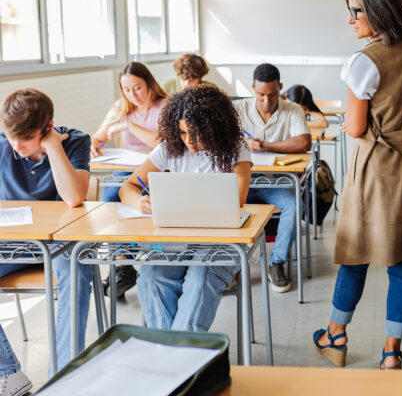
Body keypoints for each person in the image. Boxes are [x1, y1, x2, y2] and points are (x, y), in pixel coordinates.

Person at [312, 0, 402, 370]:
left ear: (380, 11)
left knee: (356, 253)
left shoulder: (363, 61)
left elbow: (353, 127)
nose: (351, 19)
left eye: (357, 11)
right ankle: (392, 353)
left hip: (376, 168)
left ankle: (336, 335)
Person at [119, 85, 252, 331]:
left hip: (222, 240)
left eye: (196, 133)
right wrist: (139, 200)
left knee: (200, 279)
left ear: (214, 128)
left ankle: (178, 356)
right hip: (176, 239)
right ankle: (175, 355)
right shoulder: (170, 148)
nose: (188, 141)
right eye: (181, 132)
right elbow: (128, 187)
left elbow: (239, 197)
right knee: (151, 277)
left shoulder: (235, 148)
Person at [0, 89, 96, 394]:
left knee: (77, 271)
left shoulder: (75, 141)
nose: (16, 146)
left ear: (48, 127)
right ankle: (9, 373)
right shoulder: (5, 143)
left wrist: (54, 148)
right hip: (12, 243)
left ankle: (65, 375)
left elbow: (74, 196)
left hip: (60, 243)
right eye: (11, 137)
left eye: (25, 140)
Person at [91, 62, 167, 297]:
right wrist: (94, 144)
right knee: (109, 196)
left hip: (158, 170)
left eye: (137, 88)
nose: (132, 95)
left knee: (125, 195)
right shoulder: (120, 107)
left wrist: (129, 126)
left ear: (149, 84)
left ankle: (126, 265)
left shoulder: (164, 106)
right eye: (126, 90)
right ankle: (122, 265)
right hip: (127, 169)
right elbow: (99, 136)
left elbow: (162, 144)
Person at [233, 63, 311, 293]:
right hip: (241, 182)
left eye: (272, 94)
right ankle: (231, 265)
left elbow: (304, 142)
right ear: (252, 88)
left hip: (275, 183)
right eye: (260, 95)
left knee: (293, 203)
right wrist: (247, 143)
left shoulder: (292, 110)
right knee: (221, 202)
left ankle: (276, 262)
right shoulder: (238, 109)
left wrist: (265, 146)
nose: (266, 101)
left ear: (281, 88)